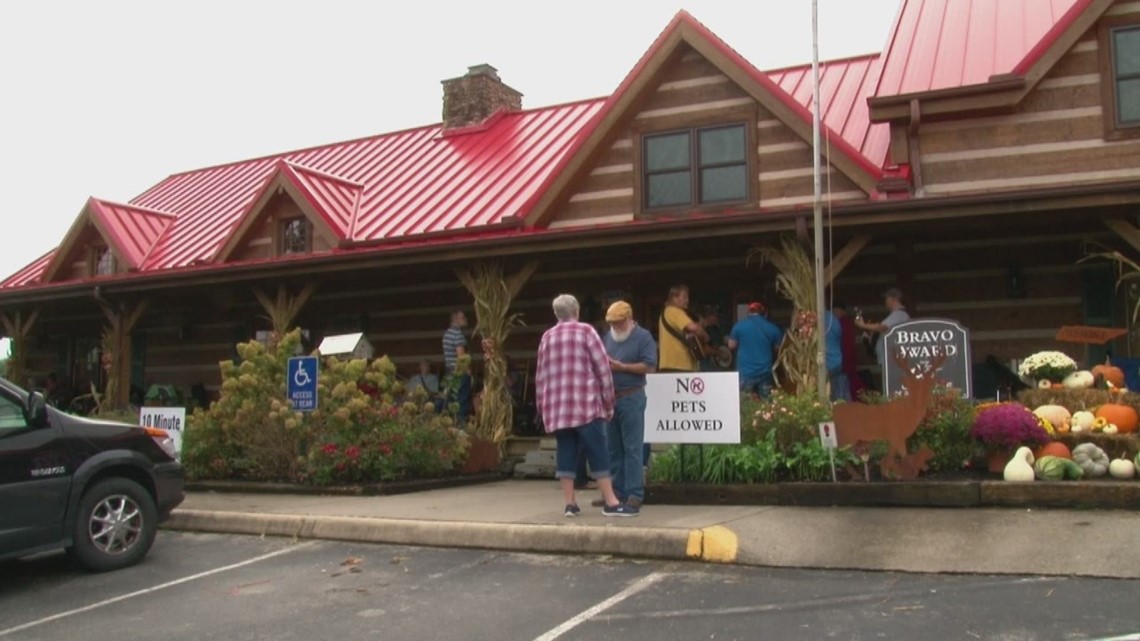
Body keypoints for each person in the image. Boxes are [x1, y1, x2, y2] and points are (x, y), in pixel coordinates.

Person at [536, 294, 637, 517]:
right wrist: (609, 402)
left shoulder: (547, 337)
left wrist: (543, 409)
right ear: (577, 311)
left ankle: (570, 503)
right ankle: (611, 502)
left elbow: (540, 376)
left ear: (556, 314)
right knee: (598, 451)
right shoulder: (586, 332)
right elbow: (603, 369)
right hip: (586, 406)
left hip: (559, 409)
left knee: (566, 452)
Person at [592, 300, 656, 510]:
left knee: (632, 448)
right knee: (613, 449)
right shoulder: (607, 337)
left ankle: (634, 493)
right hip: (611, 397)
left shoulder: (643, 337)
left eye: (619, 323)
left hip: (632, 396)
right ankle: (616, 492)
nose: (616, 327)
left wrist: (622, 367)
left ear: (629, 319)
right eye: (613, 323)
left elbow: (650, 366)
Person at [727, 301, 784, 397]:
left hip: (746, 372)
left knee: (745, 402)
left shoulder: (739, 326)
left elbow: (731, 345)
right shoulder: (772, 328)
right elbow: (778, 349)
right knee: (766, 403)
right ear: (763, 312)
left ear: (748, 312)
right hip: (765, 372)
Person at [854, 287, 911, 369]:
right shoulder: (898, 315)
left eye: (886, 298)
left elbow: (882, 327)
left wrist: (863, 325)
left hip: (892, 362)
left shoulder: (899, 314)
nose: (885, 302)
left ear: (893, 299)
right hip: (890, 361)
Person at [658, 284, 708, 373]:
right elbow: (693, 328)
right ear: (674, 297)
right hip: (679, 365)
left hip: (669, 364)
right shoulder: (674, 311)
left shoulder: (667, 312)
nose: (687, 301)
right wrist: (705, 335)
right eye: (684, 297)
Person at [442, 310, 471, 424]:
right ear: (456, 320)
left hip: (449, 369)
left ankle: (449, 424)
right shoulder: (458, 335)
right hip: (459, 371)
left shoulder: (446, 334)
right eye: (462, 317)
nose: (465, 319)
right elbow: (461, 356)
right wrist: (467, 370)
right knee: (462, 399)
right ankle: (461, 425)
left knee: (451, 399)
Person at [833, 302, 867, 401]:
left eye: (835, 311)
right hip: (845, 361)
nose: (834, 314)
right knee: (845, 388)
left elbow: (847, 343)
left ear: (841, 311)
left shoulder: (843, 323)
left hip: (842, 362)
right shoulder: (845, 323)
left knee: (841, 389)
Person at [823, 306, 849, 402]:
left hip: (826, 362)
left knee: (827, 393)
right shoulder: (833, 319)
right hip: (838, 360)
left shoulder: (814, 318)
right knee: (840, 392)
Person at [696, 305, 730, 372]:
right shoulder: (699, 328)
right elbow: (704, 348)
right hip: (702, 366)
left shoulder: (715, 329)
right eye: (716, 316)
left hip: (712, 365)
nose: (718, 319)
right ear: (708, 316)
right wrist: (720, 353)